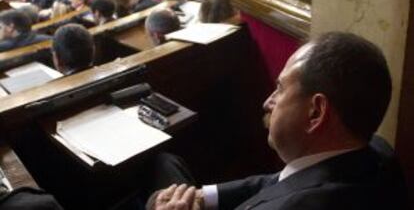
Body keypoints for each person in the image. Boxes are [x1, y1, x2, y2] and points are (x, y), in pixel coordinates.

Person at [149, 32, 408, 210]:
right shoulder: (377, 151)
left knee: (159, 167)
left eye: (281, 89)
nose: (268, 102)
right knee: (165, 165)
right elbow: (280, 182)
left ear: (315, 112)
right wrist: (202, 197)